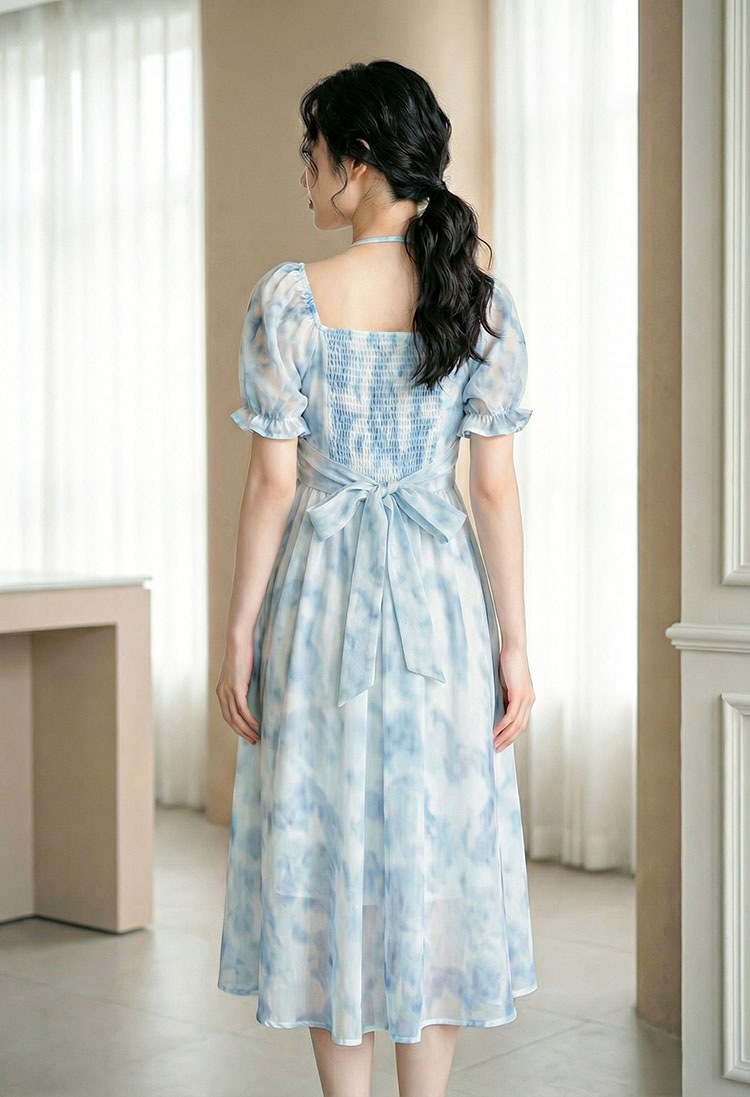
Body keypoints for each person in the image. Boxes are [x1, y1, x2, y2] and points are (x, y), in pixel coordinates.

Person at [215, 58, 537, 1097]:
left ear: (354, 164)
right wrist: (514, 641)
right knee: (433, 858)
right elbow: (494, 492)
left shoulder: (291, 301)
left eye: (310, 156)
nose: (304, 177)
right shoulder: (479, 303)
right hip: (442, 607)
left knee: (326, 852)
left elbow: (272, 484)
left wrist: (238, 631)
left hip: (322, 603)